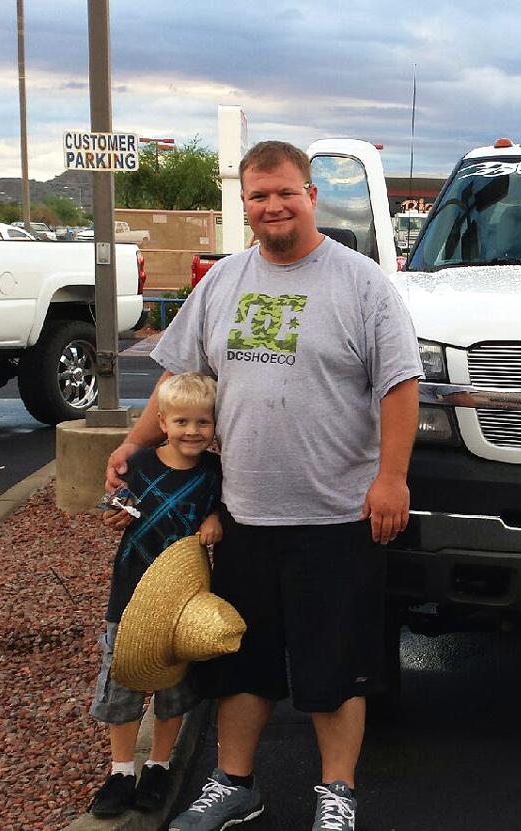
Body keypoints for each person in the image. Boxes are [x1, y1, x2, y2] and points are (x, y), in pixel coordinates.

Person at [104, 140, 422, 831]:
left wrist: (391, 477)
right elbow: (177, 380)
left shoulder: (362, 283)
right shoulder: (222, 282)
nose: (272, 205)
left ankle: (336, 792)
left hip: (337, 514)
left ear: (310, 196)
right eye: (257, 195)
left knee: (333, 668)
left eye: (284, 191)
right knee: (238, 660)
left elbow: (400, 386)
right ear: (244, 204)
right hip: (242, 513)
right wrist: (133, 443)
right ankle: (235, 782)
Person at [89, 372, 223, 818]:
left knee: (174, 685)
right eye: (182, 421)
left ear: (214, 425)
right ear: (162, 422)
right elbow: (109, 501)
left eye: (203, 423)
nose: (192, 431)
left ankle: (160, 764)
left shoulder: (212, 475)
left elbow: (221, 509)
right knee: (123, 678)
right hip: (130, 591)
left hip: (182, 599)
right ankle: (121, 769)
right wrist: (114, 513)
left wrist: (214, 519)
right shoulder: (141, 463)